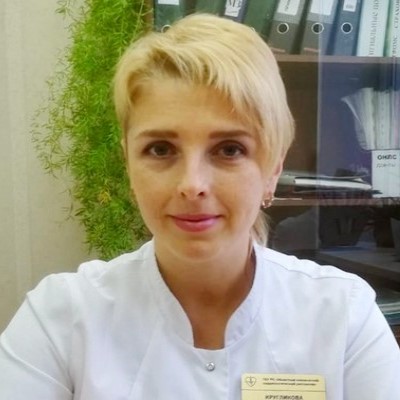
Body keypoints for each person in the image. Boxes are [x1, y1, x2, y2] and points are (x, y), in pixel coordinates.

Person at [1, 13, 399, 400]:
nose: (192, 185)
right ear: (128, 163)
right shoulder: (59, 319)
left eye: (229, 149)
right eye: (161, 149)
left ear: (273, 169)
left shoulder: (344, 316)